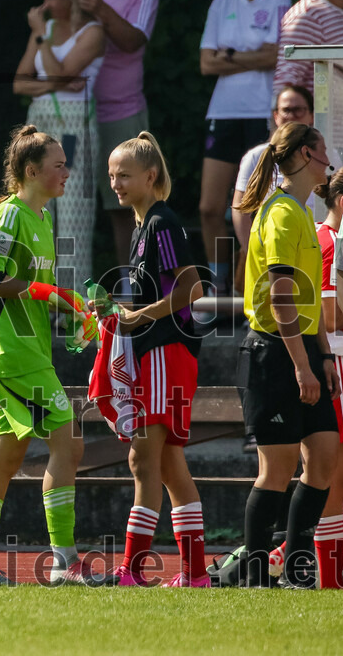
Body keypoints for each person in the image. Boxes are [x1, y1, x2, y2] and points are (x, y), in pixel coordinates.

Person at [0, 126, 99, 586]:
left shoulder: (41, 219)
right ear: (31, 171)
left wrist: (71, 311)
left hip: (26, 353)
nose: (66, 173)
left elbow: (31, 293)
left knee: (6, 457)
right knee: (69, 443)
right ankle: (64, 562)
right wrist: (48, 292)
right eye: (58, 165)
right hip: (14, 356)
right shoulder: (10, 215)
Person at [95, 133, 209, 588]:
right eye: (111, 176)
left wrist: (140, 314)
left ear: (150, 175)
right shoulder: (144, 225)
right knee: (165, 466)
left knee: (144, 460)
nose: (116, 183)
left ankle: (132, 570)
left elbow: (190, 288)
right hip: (155, 354)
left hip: (166, 353)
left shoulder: (162, 222)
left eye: (123, 175)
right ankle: (194, 574)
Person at [236, 122, 339, 588]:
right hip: (274, 354)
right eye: (321, 156)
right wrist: (302, 366)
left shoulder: (299, 211)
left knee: (323, 458)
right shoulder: (278, 213)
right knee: (275, 470)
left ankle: (297, 569)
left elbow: (310, 298)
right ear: (301, 155)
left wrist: (324, 356)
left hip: (302, 351)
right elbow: (281, 299)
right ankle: (258, 577)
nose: (327, 165)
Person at [198, 0, 290, 304]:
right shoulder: (222, 3)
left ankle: (255, 282)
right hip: (223, 111)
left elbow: (275, 56)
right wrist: (250, 54)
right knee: (209, 207)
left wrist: (230, 56)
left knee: (259, 204)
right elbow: (206, 63)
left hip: (262, 112)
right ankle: (218, 285)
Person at [14, 0, 104, 294]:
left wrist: (42, 40)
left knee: (73, 215)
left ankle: (75, 301)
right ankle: (40, 294)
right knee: (35, 204)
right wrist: (55, 83)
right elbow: (20, 83)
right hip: (40, 122)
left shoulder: (91, 32)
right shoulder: (46, 29)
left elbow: (59, 71)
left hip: (73, 126)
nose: (44, 6)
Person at [78, 0, 159, 285]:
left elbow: (131, 41)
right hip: (71, 115)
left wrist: (98, 8)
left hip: (122, 113)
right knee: (64, 203)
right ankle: (64, 294)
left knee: (126, 204)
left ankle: (133, 288)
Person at [232, 85, 315, 297]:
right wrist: (254, 251)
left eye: (299, 109)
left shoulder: (325, 151)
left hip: (313, 251)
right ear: (276, 116)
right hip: (269, 252)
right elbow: (240, 208)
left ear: (312, 115)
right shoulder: (255, 156)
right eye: (286, 110)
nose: (292, 115)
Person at [315, 167, 343, 589]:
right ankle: (328, 579)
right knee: (337, 475)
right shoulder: (330, 242)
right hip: (340, 366)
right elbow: (329, 316)